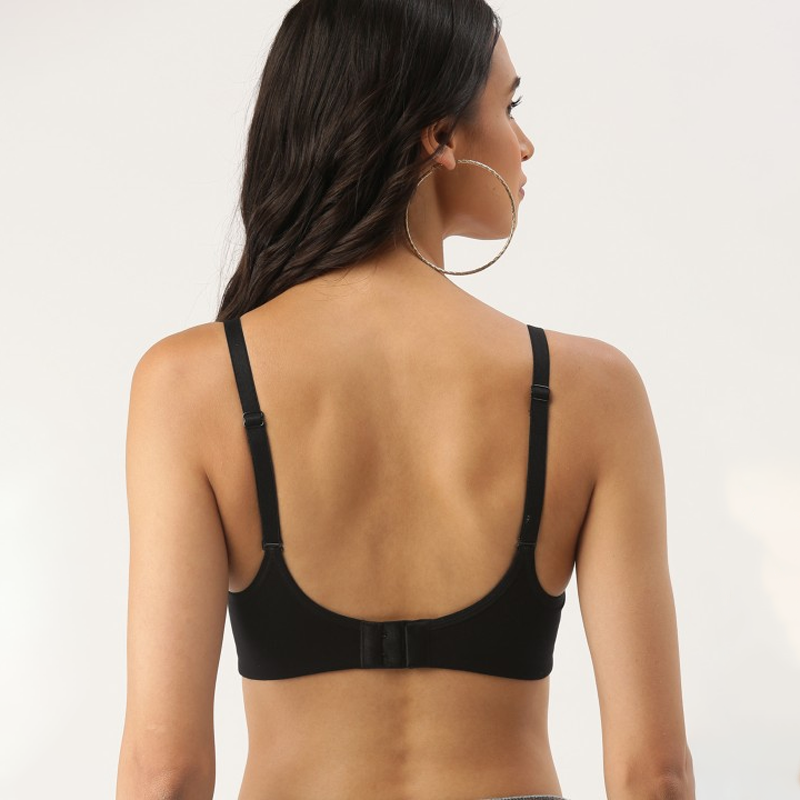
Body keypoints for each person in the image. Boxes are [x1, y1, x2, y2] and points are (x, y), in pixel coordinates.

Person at [115, 1, 695, 798]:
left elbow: (165, 775)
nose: (525, 142)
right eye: (509, 105)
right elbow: (654, 776)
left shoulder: (191, 384)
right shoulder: (592, 391)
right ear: (440, 136)